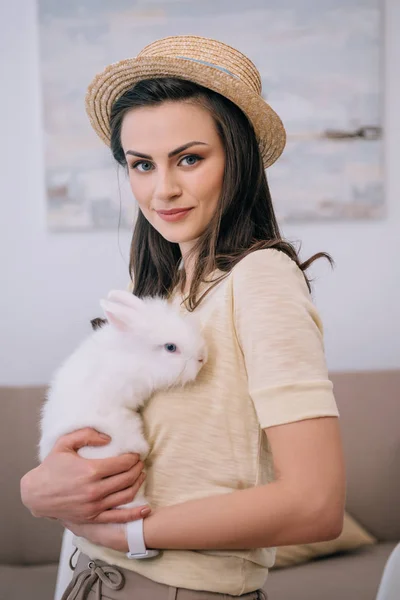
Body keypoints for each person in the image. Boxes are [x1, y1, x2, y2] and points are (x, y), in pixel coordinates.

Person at [20, 35, 346, 599]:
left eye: (189, 158)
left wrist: (132, 534)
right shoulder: (157, 292)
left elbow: (315, 505)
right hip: (92, 579)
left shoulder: (260, 279)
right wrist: (37, 489)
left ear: (237, 158)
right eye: (141, 164)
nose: (162, 189)